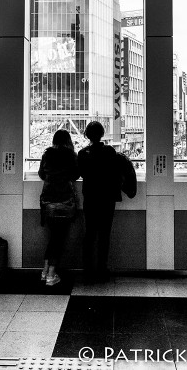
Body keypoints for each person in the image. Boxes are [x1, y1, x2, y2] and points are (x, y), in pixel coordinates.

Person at [78, 121, 123, 283]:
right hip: (107, 197)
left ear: (87, 135)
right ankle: (102, 269)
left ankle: (88, 269)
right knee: (104, 234)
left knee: (89, 233)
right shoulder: (110, 151)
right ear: (102, 134)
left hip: (90, 197)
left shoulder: (83, 153)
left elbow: (80, 173)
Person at [38, 129, 80, 286]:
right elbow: (76, 175)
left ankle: (45, 270)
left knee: (53, 237)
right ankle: (51, 274)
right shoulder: (71, 155)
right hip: (64, 199)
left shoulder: (47, 154)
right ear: (68, 140)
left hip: (47, 199)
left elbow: (42, 174)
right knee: (59, 238)